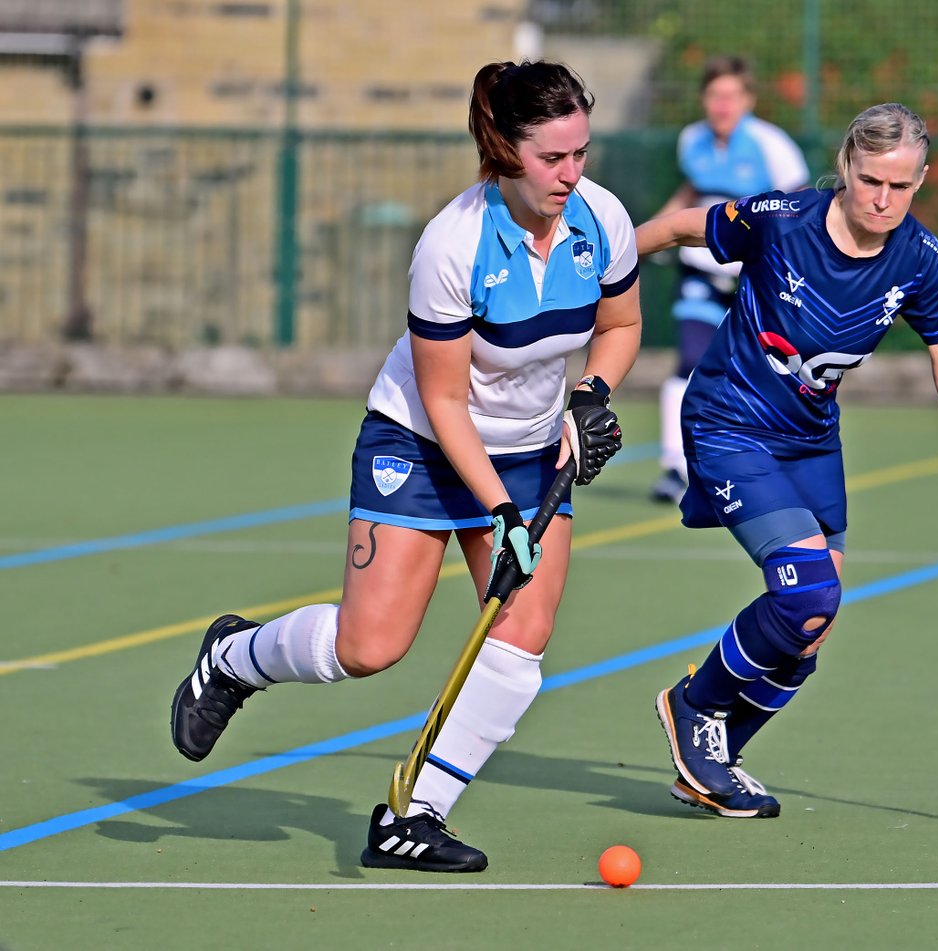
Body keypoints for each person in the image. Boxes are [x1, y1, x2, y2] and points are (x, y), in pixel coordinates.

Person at [169, 60, 641, 872]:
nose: (573, 174)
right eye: (553, 158)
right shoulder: (452, 246)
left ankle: (411, 813)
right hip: (423, 442)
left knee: (523, 633)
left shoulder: (602, 220)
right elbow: (446, 402)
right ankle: (233, 657)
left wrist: (592, 394)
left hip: (529, 447)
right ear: (504, 150)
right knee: (369, 645)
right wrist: (499, 511)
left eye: (582, 154)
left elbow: (622, 322)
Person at [635, 102, 938, 818]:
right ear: (845, 168)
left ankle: (714, 759)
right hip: (728, 420)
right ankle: (692, 705)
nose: (883, 200)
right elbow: (679, 228)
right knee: (806, 593)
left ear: (920, 181)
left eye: (901, 185)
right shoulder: (782, 218)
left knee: (813, 623)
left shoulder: (920, 260)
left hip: (809, 437)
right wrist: (596, 266)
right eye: (870, 181)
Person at [650, 55, 810, 505]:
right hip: (700, 270)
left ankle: (767, 463)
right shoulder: (692, 141)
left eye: (732, 96)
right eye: (714, 95)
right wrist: (646, 237)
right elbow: (689, 194)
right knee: (691, 358)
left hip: (754, 280)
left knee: (766, 371)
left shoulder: (771, 145)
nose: (722, 105)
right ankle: (674, 468)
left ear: (748, 100)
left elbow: (797, 208)